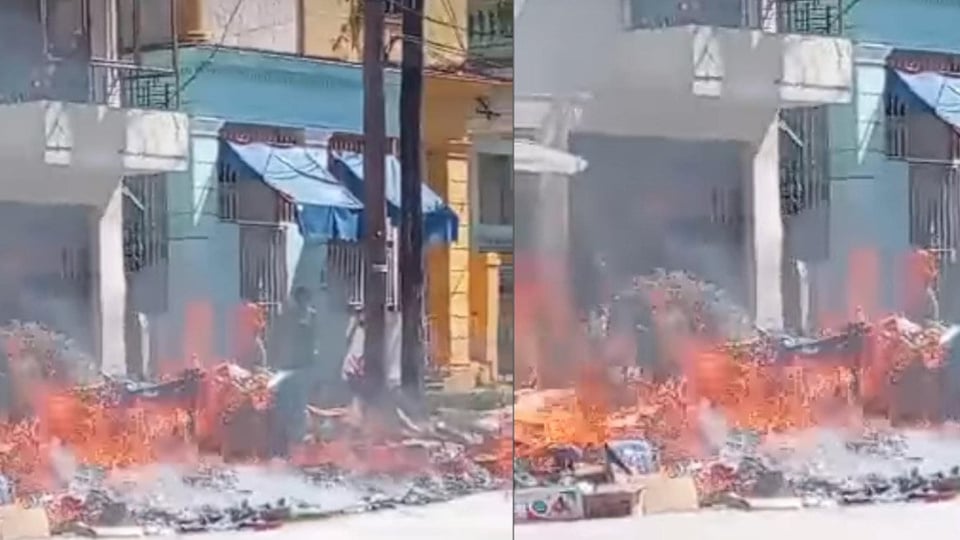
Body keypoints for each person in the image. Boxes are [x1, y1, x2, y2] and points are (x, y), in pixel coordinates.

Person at [269, 286, 319, 456]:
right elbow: (278, 339)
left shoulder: (310, 316)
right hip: (289, 367)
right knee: (286, 405)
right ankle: (284, 444)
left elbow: (314, 341)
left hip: (302, 367)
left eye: (305, 299)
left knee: (298, 405)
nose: (303, 303)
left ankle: (296, 443)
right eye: (301, 299)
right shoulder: (288, 317)